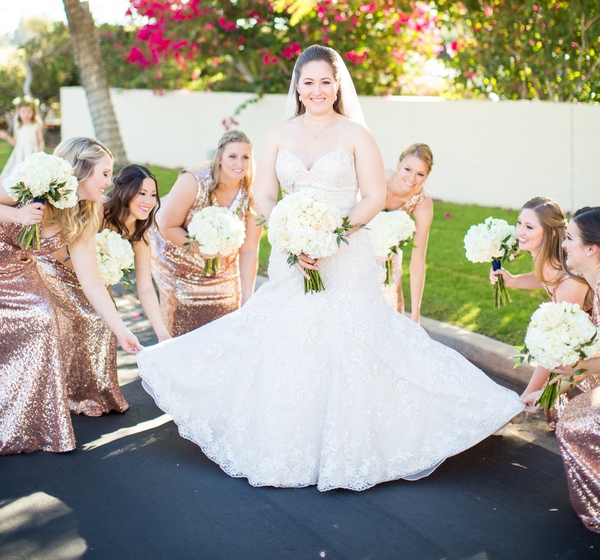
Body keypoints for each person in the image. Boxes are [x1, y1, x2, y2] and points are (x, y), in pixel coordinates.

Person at [137, 44, 522, 491]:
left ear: (337, 85)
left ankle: (367, 440)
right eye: (308, 82)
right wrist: (288, 233)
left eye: (325, 81)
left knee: (351, 338)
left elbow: (375, 197)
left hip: (346, 250)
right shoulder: (278, 133)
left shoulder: (357, 135)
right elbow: (263, 194)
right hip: (289, 254)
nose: (316, 90)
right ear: (297, 86)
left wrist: (331, 234)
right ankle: (287, 442)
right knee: (288, 338)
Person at [0, 136, 141, 454]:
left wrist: (122, 331)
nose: (110, 181)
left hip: (20, 271)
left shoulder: (85, 216)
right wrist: (18, 216)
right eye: (105, 173)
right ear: (81, 169)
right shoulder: (35, 182)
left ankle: (17, 424)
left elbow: (92, 284)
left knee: (43, 320)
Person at [527, 207, 600, 534]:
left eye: (570, 238)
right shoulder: (592, 281)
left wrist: (576, 367)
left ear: (591, 249)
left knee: (573, 426)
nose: (564, 245)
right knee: (570, 411)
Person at [151, 130, 262, 336]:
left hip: (222, 268)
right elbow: (166, 225)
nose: (239, 163)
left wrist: (248, 297)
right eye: (232, 156)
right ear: (220, 158)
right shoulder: (194, 180)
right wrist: (199, 249)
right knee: (183, 325)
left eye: (245, 157)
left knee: (231, 313)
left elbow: (249, 249)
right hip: (177, 264)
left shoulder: (253, 192)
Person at [491, 196, 590, 408]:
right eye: (519, 223)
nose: (520, 232)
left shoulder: (571, 283)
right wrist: (513, 281)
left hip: (586, 361)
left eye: (529, 226)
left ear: (551, 233)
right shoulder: (548, 259)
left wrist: (524, 397)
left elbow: (555, 347)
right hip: (566, 348)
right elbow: (545, 279)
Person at [102, 164, 170, 343]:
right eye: (142, 193)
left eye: (153, 195)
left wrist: (162, 333)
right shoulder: (99, 213)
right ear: (124, 191)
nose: (149, 201)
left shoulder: (140, 235)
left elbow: (146, 287)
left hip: (100, 301)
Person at [379, 143, 434, 321]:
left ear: (427, 175)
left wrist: (416, 314)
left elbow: (418, 260)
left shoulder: (422, 203)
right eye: (408, 169)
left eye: (420, 174)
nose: (412, 178)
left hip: (389, 258)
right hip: (361, 248)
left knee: (391, 312)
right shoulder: (379, 179)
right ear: (398, 165)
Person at [0, 96, 45, 175]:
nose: (26, 114)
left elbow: (40, 140)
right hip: (19, 154)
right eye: (23, 112)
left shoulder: (35, 125)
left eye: (29, 112)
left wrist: (39, 152)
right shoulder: (17, 126)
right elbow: (15, 143)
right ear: (19, 112)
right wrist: (6, 136)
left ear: (33, 112)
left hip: (32, 152)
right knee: (17, 173)